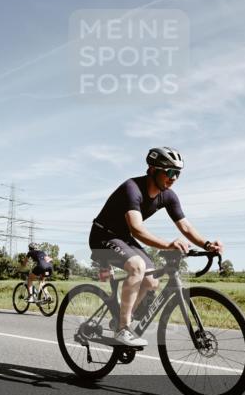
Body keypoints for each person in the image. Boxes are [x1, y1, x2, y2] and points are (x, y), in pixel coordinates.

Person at [89, 146, 223, 347]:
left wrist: (206, 244)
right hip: (102, 236)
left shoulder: (168, 196)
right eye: (169, 172)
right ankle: (122, 329)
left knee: (151, 281)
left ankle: (122, 318)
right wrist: (169, 244)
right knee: (137, 267)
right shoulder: (132, 189)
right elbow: (137, 229)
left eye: (177, 173)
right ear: (153, 170)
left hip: (122, 238)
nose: (174, 177)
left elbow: (185, 226)